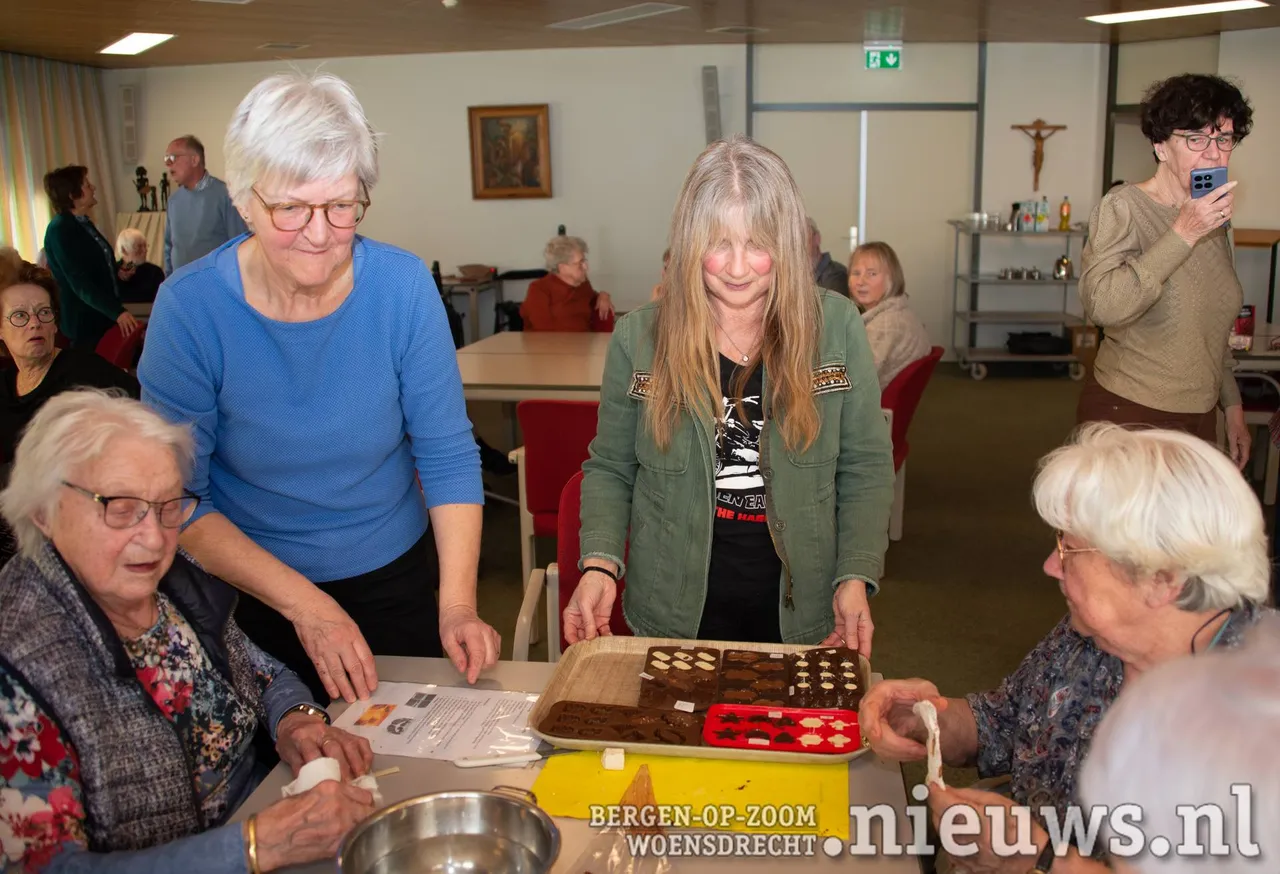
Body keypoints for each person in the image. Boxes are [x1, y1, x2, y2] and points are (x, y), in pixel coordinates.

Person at [138, 72, 500, 705]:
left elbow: (445, 455)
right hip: (247, 590)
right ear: (245, 201)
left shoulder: (402, 288)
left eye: (341, 206)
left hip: (394, 574)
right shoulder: (190, 309)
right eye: (291, 209)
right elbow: (176, 498)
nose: (320, 233)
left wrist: (458, 605)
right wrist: (308, 605)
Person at [859, 423, 1270, 871]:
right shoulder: (1090, 636)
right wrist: (925, 718)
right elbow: (1003, 723)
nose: (1051, 566)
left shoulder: (1256, 718)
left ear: (1162, 579)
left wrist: (1041, 857)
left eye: (1070, 550)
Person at [0, 391, 376, 873]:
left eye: (167, 506)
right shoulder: (17, 660)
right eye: (120, 507)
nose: (154, 538)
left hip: (270, 822)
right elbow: (44, 867)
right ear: (45, 510)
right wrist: (257, 845)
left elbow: (261, 673)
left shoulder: (172, 578)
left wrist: (297, 721)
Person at [564, 135, 895, 652]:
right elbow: (609, 466)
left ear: (786, 244)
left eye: (758, 245)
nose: (738, 268)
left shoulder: (837, 325)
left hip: (801, 605)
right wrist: (601, 564)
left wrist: (855, 574)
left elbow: (866, 467)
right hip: (673, 607)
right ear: (690, 242)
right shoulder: (638, 337)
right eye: (719, 244)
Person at [1077, 74, 1253, 469]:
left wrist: (1233, 406)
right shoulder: (1124, 207)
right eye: (1196, 139)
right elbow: (1103, 305)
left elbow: (1212, 325)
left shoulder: (1216, 219)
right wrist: (1182, 233)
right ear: (1160, 146)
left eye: (1224, 138)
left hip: (1201, 415)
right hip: (1131, 412)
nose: (1213, 153)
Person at [0, 258, 139, 468]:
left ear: (55, 325)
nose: (35, 323)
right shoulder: (3, 385)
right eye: (20, 315)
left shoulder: (86, 372)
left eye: (44, 312)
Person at [41, 165, 140, 350]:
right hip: (84, 324)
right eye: (87, 185)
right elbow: (79, 281)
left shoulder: (83, 223)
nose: (93, 188)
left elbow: (94, 266)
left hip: (100, 318)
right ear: (72, 195)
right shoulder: (60, 230)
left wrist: (118, 270)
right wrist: (117, 313)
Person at [847, 242, 931, 390]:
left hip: (863, 408)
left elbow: (852, 382)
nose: (860, 282)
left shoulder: (886, 325)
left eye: (872, 274)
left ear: (891, 279)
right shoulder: (897, 312)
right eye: (856, 273)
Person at [162, 135, 249, 275]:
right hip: (181, 288)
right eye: (166, 159)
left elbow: (239, 244)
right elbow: (169, 247)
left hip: (216, 287)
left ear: (194, 160)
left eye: (172, 158)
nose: (168, 164)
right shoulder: (174, 201)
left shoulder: (225, 195)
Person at [519, 235, 615, 331]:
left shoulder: (582, 284)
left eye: (584, 261)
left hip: (583, 343)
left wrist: (603, 295)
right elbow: (544, 331)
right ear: (562, 267)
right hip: (550, 344)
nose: (586, 267)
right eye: (580, 263)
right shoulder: (539, 290)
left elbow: (592, 298)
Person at [115, 228, 166, 303]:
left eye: (145, 246)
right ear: (124, 250)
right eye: (139, 246)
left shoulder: (155, 272)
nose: (145, 250)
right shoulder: (112, 271)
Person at [807, 217, 848, 296]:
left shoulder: (837, 275)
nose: (796, 243)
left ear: (817, 238)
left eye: (802, 235)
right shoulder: (789, 274)